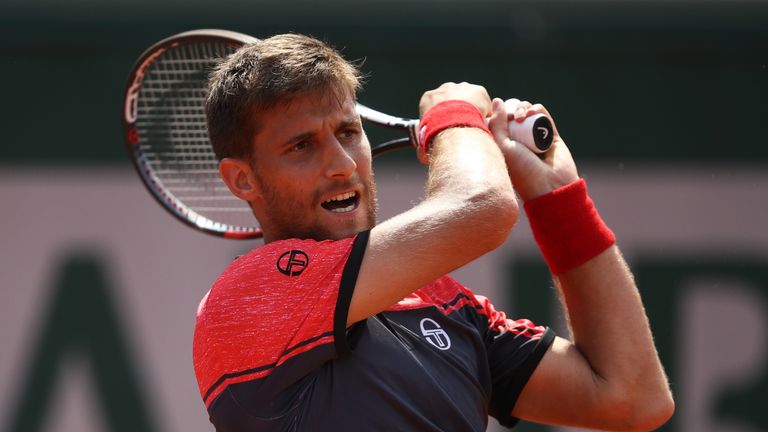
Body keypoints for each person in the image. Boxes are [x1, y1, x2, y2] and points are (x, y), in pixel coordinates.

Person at [193, 34, 674, 431]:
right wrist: (454, 116)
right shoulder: (245, 300)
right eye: (302, 146)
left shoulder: (445, 304)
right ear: (243, 179)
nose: (342, 165)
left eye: (348, 132)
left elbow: (632, 398)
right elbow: (482, 207)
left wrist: (558, 198)